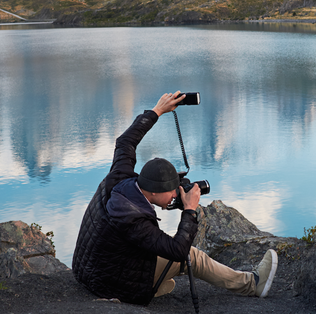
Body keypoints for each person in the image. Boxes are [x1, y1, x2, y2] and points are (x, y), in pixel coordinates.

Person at [72, 91, 278, 305]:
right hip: (109, 284)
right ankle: (253, 284)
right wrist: (189, 210)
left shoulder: (120, 177)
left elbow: (125, 142)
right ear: (153, 192)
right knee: (193, 256)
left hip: (87, 269)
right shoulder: (134, 220)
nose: (175, 194)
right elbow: (178, 251)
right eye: (171, 190)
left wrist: (157, 110)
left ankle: (156, 283)